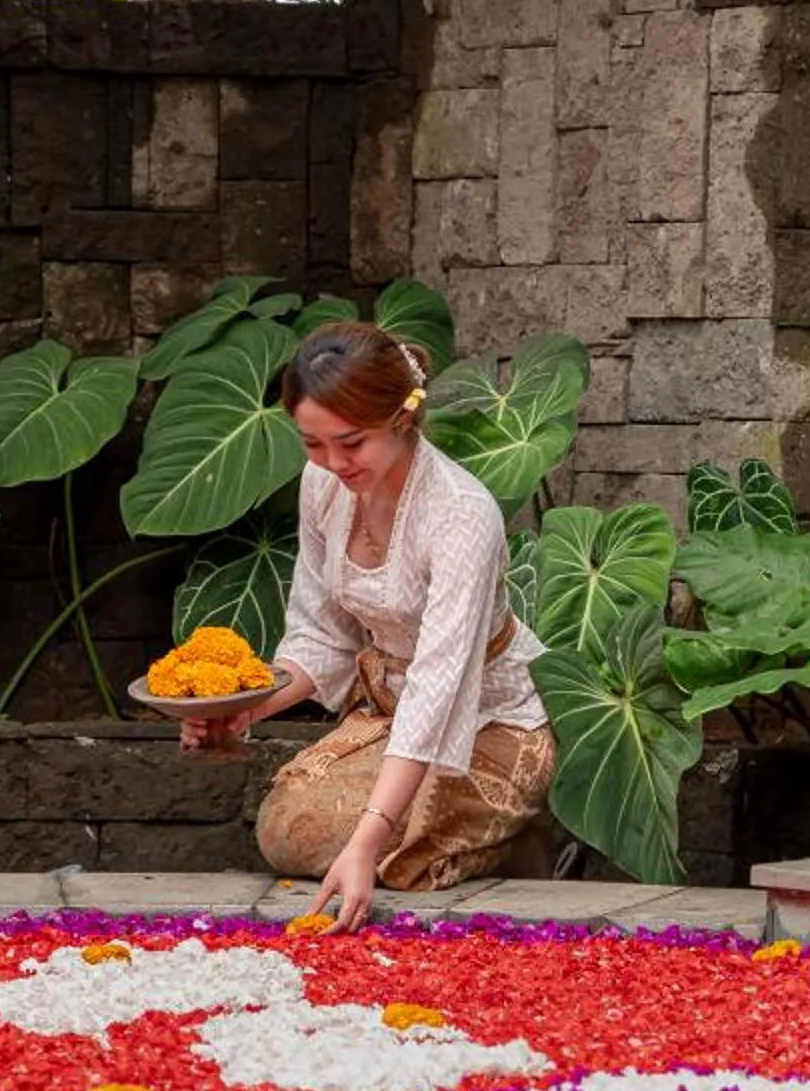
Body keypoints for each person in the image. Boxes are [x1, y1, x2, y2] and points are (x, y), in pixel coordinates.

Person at [177, 321, 556, 930]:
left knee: (341, 839)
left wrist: (366, 842)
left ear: (403, 417)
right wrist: (243, 708)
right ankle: (462, 838)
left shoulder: (462, 515)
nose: (332, 462)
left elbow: (438, 685)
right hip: (390, 708)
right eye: (313, 444)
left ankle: (513, 832)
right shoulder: (322, 484)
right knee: (287, 826)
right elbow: (322, 637)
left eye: (351, 443)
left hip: (491, 721)